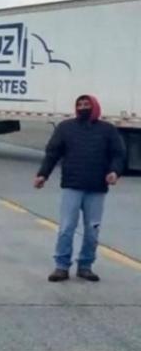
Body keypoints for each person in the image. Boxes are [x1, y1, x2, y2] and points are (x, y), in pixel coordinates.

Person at [35, 94, 126, 282]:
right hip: (72, 185)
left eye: (87, 104)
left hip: (97, 187)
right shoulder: (65, 128)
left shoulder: (107, 130)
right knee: (67, 227)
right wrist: (43, 174)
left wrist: (114, 172)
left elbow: (118, 155)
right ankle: (61, 266)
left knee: (92, 229)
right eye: (80, 104)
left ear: (95, 107)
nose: (83, 107)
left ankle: (85, 266)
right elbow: (52, 153)